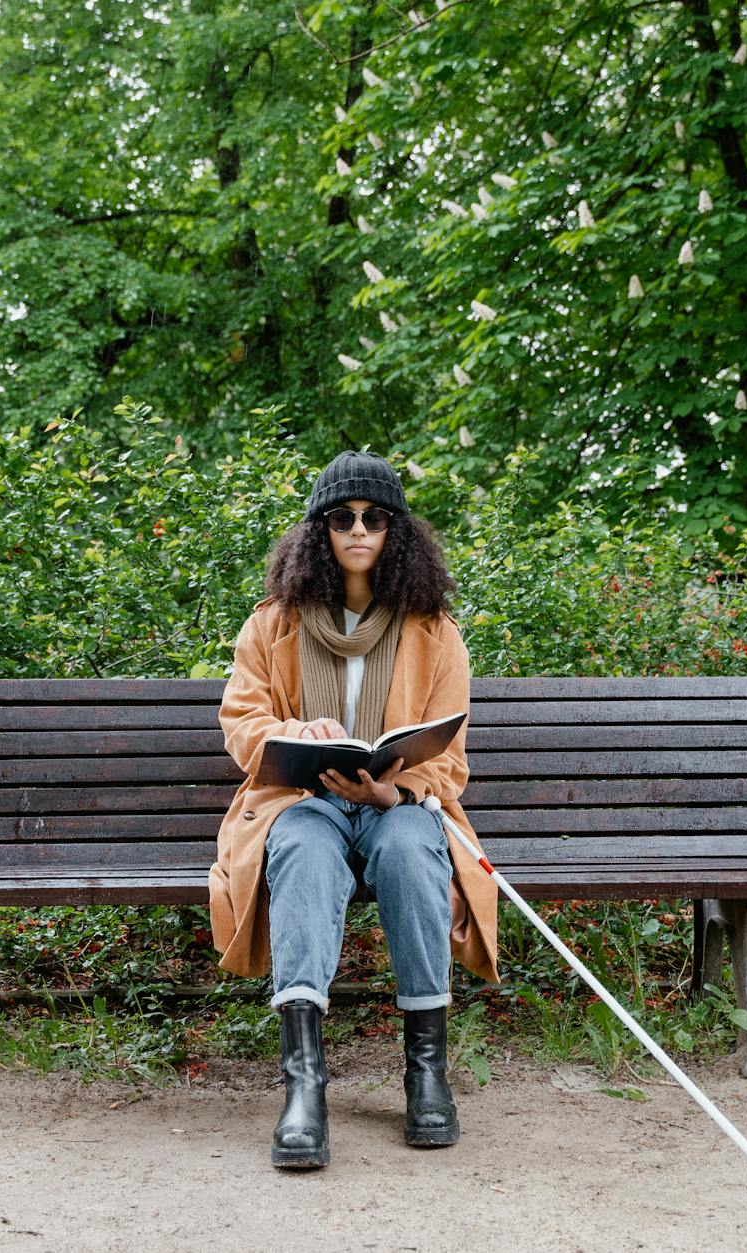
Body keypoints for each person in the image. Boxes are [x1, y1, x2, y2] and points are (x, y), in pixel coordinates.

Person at [207, 449, 500, 1170]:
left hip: (393, 799)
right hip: (302, 796)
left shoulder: (433, 628)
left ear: (396, 531)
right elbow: (242, 722)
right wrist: (293, 733)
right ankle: (304, 1088)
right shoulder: (273, 623)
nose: (359, 529)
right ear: (320, 531)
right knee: (302, 850)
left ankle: (426, 1075)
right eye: (343, 517)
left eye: (374, 518)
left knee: (408, 847)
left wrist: (394, 788)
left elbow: (449, 754)